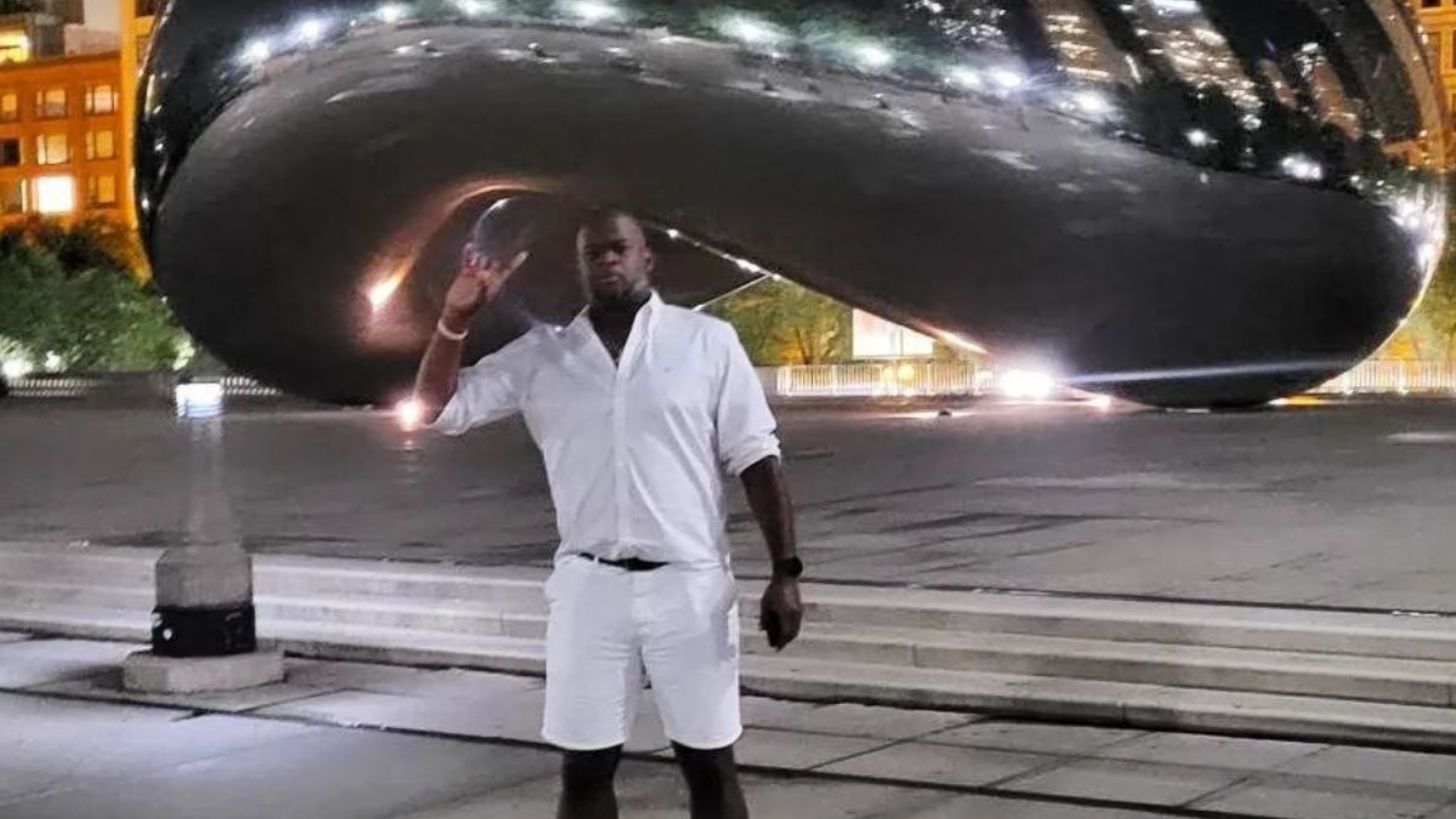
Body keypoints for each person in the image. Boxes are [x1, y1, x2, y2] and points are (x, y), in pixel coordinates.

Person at [413, 207, 804, 819]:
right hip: (589, 589)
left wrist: (786, 572)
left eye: (619, 248)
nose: (607, 260)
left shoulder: (706, 343)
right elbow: (435, 409)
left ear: (647, 256)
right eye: (593, 253)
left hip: (689, 585)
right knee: (584, 770)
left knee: (710, 765)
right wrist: (454, 320)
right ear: (580, 267)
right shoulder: (543, 356)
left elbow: (756, 457)